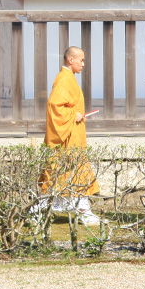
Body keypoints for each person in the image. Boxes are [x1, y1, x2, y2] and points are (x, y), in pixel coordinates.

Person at [41, 46, 101, 225]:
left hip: (73, 134)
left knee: (71, 171)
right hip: (66, 136)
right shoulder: (63, 79)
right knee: (67, 171)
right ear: (70, 60)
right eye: (81, 60)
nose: (83, 64)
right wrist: (71, 115)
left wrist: (76, 114)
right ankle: (81, 209)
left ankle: (44, 208)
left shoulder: (70, 78)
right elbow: (54, 106)